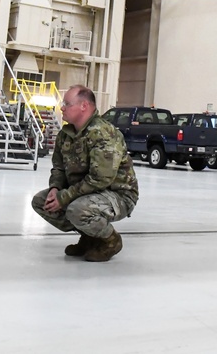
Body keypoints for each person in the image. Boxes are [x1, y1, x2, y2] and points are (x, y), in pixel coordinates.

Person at [31, 86, 138, 261]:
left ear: (84, 106)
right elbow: (58, 167)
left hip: (117, 194)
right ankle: (90, 236)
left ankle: (110, 241)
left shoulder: (104, 134)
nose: (62, 108)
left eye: (66, 104)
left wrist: (64, 198)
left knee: (77, 209)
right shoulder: (65, 135)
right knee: (41, 202)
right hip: (85, 192)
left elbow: (100, 179)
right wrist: (55, 188)